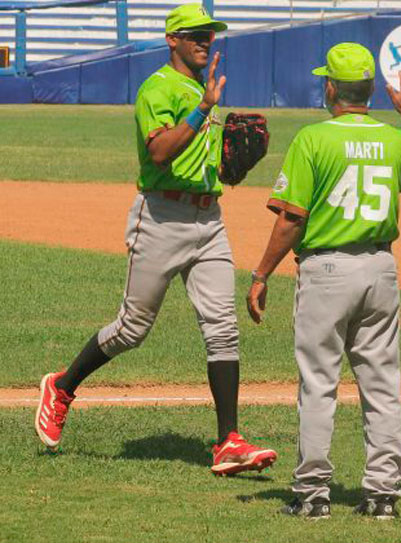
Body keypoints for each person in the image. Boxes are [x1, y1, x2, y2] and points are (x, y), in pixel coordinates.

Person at [34, 3, 278, 477]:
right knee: (132, 329)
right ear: (173, 40)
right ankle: (62, 387)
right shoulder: (158, 88)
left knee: (222, 327)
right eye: (195, 35)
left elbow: (203, 159)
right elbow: (161, 151)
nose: (205, 41)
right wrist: (204, 108)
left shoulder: (199, 87)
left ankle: (228, 440)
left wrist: (227, 166)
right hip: (161, 217)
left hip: (208, 221)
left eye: (209, 34)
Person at [247, 42, 401, 519]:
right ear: (371, 91)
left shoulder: (314, 138)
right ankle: (383, 495)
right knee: (382, 383)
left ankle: (312, 494)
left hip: (327, 271)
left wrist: (262, 271)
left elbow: (291, 219)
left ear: (330, 88)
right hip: (380, 270)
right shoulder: (393, 139)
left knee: (318, 383)